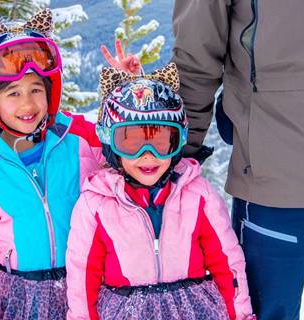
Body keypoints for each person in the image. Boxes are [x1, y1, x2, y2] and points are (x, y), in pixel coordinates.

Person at [171, 1, 304, 319]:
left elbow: (194, 62)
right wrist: (177, 156)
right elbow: (195, 61)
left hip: (268, 172)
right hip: (271, 174)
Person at [0, 9, 108, 320]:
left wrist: (128, 91)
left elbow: (130, 154)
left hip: (86, 292)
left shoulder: (77, 139)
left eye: (36, 89)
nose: (28, 104)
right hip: (20, 302)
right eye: (13, 93)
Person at [66, 63, 255, 320]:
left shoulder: (198, 196)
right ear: (111, 143)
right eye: (131, 143)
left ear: (177, 143)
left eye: (160, 142)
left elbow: (227, 262)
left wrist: (240, 315)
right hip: (125, 312)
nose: (148, 156)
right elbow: (82, 276)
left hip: (194, 310)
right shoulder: (95, 205)